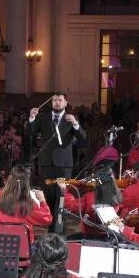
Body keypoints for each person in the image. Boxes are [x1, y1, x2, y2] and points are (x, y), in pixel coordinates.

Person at [26, 92, 87, 223]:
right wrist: (31, 118)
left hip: (64, 164)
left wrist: (76, 124)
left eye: (60, 100)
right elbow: (30, 134)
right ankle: (49, 224)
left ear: (65, 103)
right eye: (54, 100)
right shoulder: (44, 117)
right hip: (46, 162)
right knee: (47, 195)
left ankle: (60, 227)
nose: (57, 102)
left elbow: (83, 141)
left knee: (61, 197)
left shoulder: (70, 119)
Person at [0, 164, 52, 244]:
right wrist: (42, 200)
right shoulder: (27, 203)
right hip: (22, 248)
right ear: (26, 183)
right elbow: (47, 219)